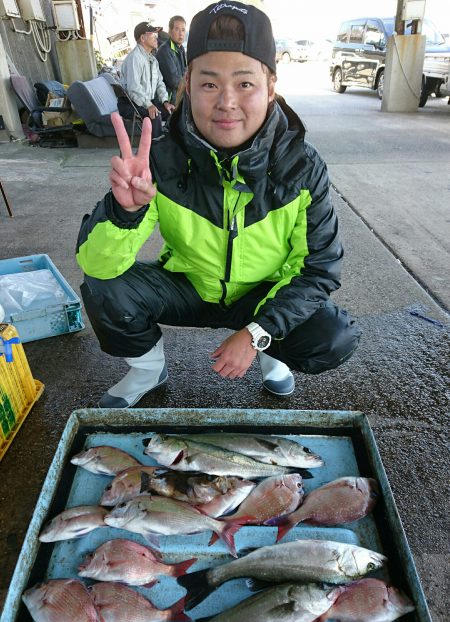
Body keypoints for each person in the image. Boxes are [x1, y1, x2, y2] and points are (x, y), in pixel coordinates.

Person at [76, 2, 361, 409]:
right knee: (104, 285)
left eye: (244, 83)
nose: (226, 102)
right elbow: (97, 264)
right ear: (188, 83)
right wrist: (126, 212)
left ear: (271, 85)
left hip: (261, 297)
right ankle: (146, 370)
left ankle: (270, 352)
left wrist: (258, 332)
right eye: (209, 84)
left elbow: (319, 270)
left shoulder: (302, 166)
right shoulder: (160, 157)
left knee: (333, 335)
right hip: (189, 286)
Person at [117, 21, 175, 139]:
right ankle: (155, 151)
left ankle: (168, 146)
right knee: (155, 115)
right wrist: (149, 105)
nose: (156, 38)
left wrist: (165, 101)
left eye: (156, 35)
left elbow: (160, 83)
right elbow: (134, 89)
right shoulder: (135, 58)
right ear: (143, 38)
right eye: (153, 35)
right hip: (130, 103)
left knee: (172, 112)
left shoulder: (152, 59)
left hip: (146, 101)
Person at [155, 15, 187, 107]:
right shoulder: (165, 50)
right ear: (170, 31)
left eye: (183, 30)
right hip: (169, 101)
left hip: (180, 96)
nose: (181, 33)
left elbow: (185, 72)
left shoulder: (181, 49)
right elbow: (174, 81)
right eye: (177, 29)